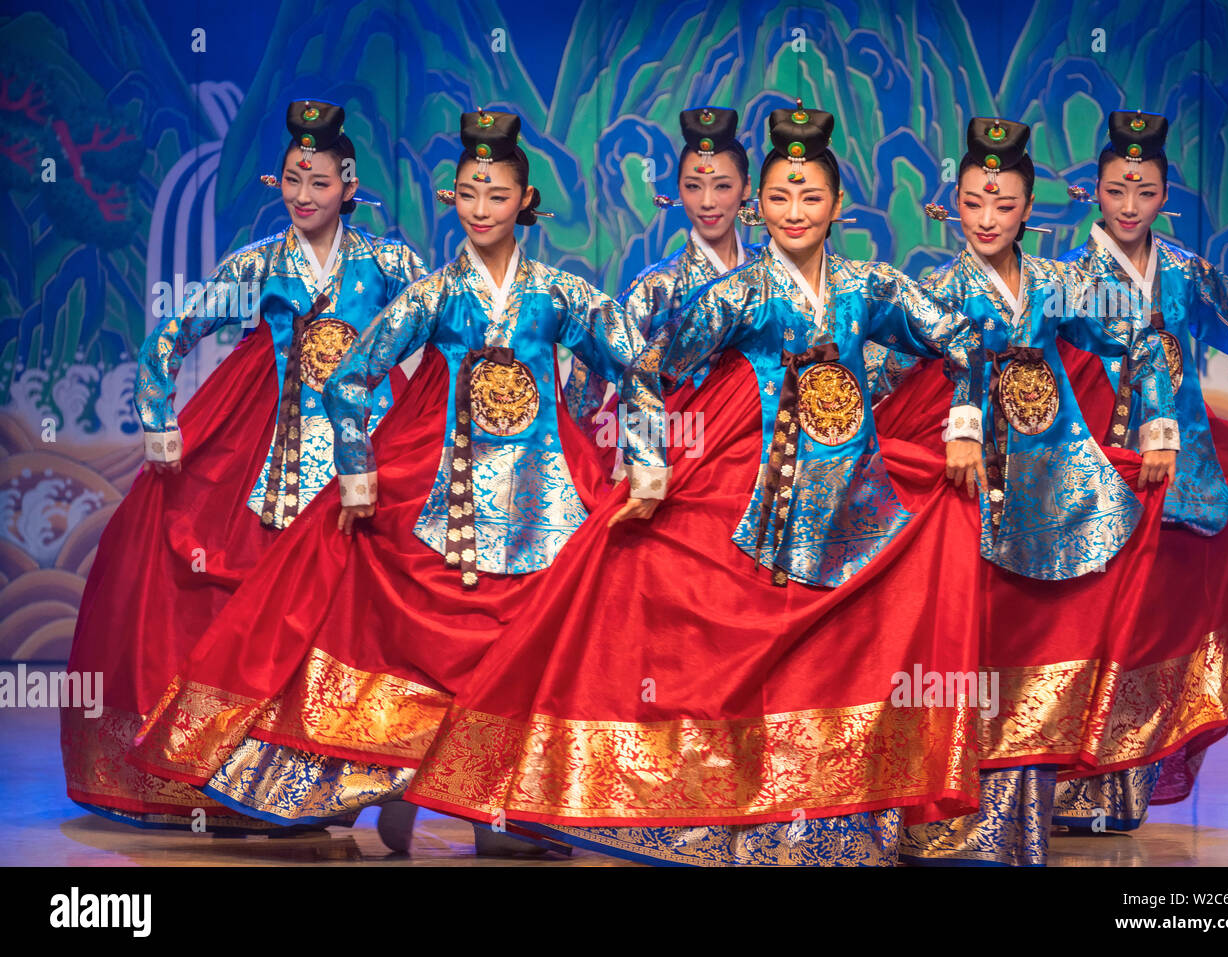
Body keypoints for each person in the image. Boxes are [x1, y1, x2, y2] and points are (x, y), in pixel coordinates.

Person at [399, 100, 990, 866]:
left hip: (853, 498)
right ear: (760, 204)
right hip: (754, 502)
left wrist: (964, 427)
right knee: (732, 648)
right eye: (779, 198)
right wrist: (647, 461)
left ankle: (846, 816)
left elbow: (964, 338)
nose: (794, 213)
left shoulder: (872, 287)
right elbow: (647, 369)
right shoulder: (737, 294)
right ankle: (726, 810)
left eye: (810, 198)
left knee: (853, 642)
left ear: (838, 205)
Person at [127, 109, 668, 855]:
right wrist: (357, 471)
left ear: (525, 202)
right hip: (445, 504)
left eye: (496, 196)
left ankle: (502, 808)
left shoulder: (559, 294)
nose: (480, 210)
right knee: (420, 649)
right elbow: (353, 380)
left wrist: (646, 457)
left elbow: (635, 366)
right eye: (469, 195)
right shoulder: (434, 293)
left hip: (545, 507)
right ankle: (403, 783)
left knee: (525, 654)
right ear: (453, 200)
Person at [61, 99, 425, 830]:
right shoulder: (259, 264)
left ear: (348, 187)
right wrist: (159, 417)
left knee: (375, 621)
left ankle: (386, 771)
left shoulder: (389, 264)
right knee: (272, 622)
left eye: (319, 181)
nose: (303, 195)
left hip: (365, 464)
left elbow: (441, 338)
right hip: (282, 471)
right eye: (293, 179)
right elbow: (172, 333)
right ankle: (269, 777)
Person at [898, 116, 1176, 864]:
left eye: (1004, 205)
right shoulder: (940, 289)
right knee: (974, 649)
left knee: (1043, 649)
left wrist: (1158, 422)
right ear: (952, 202)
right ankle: (955, 821)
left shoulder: (1058, 284)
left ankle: (1025, 820)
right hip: (971, 495)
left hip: (1059, 495)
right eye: (973, 203)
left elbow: (1142, 332)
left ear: (1028, 211)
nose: (987, 219)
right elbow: (886, 372)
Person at [1053, 110, 1228, 832]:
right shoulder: (1066, 281)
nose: (1129, 206)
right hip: (1097, 486)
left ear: (1163, 197)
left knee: (1154, 640)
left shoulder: (1187, 274)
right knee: (1091, 636)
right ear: (1094, 190)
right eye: (1118, 190)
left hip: (1181, 488)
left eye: (1145, 191)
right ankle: (1074, 783)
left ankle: (1123, 792)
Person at [566, 104, 761, 456]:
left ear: (746, 187)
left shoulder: (767, 274)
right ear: (678, 189)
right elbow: (590, 364)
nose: (707, 202)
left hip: (760, 451)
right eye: (693, 186)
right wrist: (582, 456)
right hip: (687, 450)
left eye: (722, 186)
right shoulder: (657, 286)